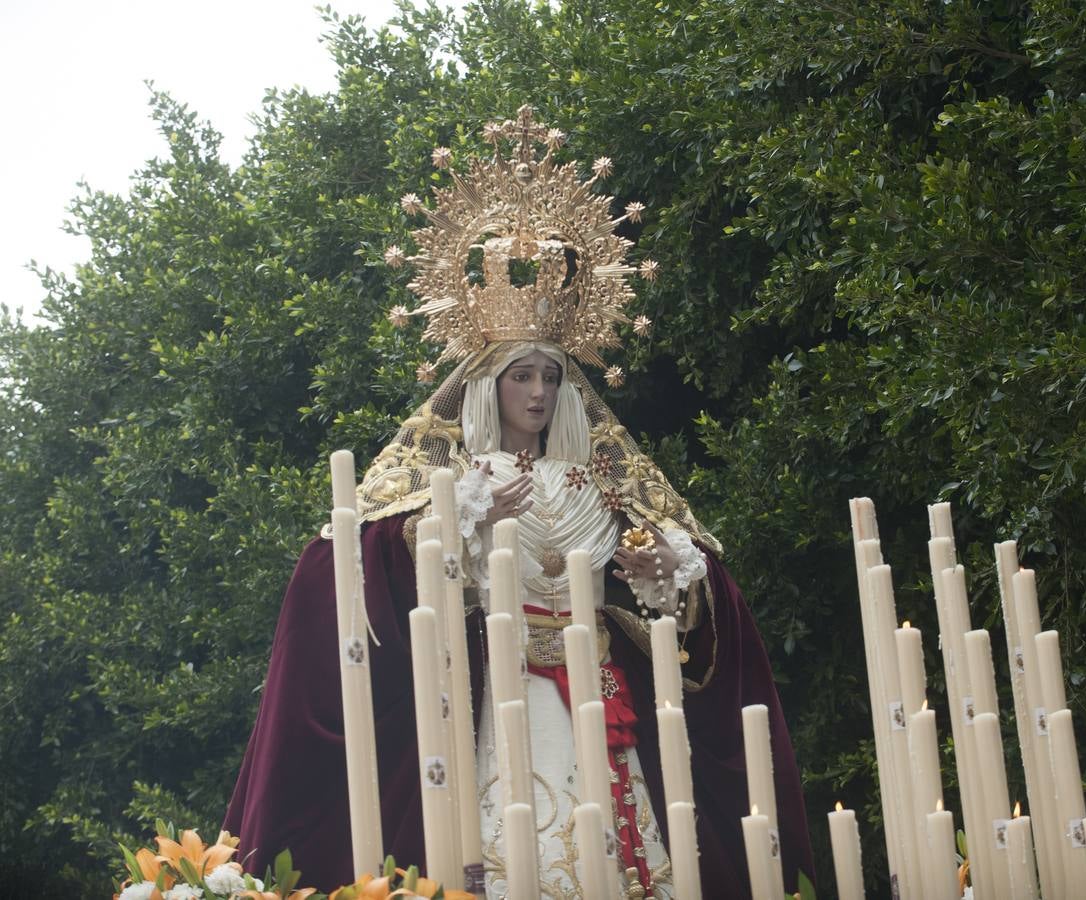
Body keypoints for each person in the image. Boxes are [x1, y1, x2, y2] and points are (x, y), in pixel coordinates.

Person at [223, 106, 814, 898]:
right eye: (520, 376)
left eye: (551, 377)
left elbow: (692, 585)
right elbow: (343, 570)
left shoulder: (602, 479)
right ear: (487, 386)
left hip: (600, 698)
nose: (537, 393)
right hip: (492, 701)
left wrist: (658, 571)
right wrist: (452, 523)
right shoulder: (450, 482)